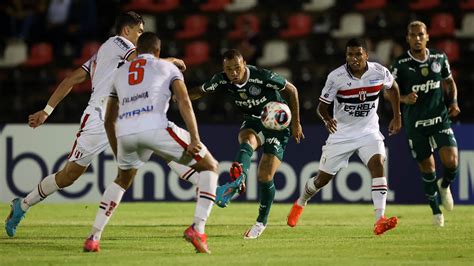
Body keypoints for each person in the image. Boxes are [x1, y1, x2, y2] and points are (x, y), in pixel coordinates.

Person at [5, 11, 185, 238]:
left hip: (122, 115)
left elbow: (73, 78)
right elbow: (145, 63)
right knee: (69, 176)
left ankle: (204, 187)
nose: (141, 35)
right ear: (126, 31)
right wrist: (174, 61)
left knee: (158, 143)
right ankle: (23, 205)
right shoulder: (117, 43)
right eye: (139, 31)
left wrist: (47, 110)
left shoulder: (104, 54)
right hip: (99, 117)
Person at [83, 32, 218, 254]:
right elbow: (184, 101)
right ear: (158, 51)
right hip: (155, 127)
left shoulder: (120, 73)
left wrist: (118, 150)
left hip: (126, 132)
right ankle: (198, 228)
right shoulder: (168, 68)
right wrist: (195, 138)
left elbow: (109, 120)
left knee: (122, 180)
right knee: (210, 167)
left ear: (136, 51)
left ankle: (93, 237)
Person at [185, 49, 304, 239]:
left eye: (237, 68)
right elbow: (200, 91)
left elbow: (292, 90)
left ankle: (260, 222)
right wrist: (178, 96)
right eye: (228, 69)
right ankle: (238, 180)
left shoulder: (262, 76)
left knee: (265, 176)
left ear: (244, 64)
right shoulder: (222, 80)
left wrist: (296, 123)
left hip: (277, 123)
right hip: (253, 120)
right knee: (247, 138)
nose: (233, 73)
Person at [287, 38, 402, 235]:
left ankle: (379, 219)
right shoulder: (336, 77)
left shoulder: (379, 71)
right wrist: (327, 119)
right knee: (321, 180)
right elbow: (321, 106)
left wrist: (397, 115)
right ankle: (301, 202)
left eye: (358, 54)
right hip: (341, 135)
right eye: (350, 54)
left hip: (369, 132)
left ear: (366, 54)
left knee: (378, 165)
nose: (354, 58)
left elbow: (393, 88)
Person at [390, 21, 460, 227]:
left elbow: (449, 82)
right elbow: (388, 91)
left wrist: (454, 101)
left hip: (439, 118)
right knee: (427, 167)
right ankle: (436, 212)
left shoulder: (439, 58)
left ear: (427, 36)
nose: (417, 38)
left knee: (452, 162)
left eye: (421, 34)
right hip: (416, 122)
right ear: (408, 38)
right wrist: (403, 99)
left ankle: (445, 185)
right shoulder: (400, 64)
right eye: (413, 35)